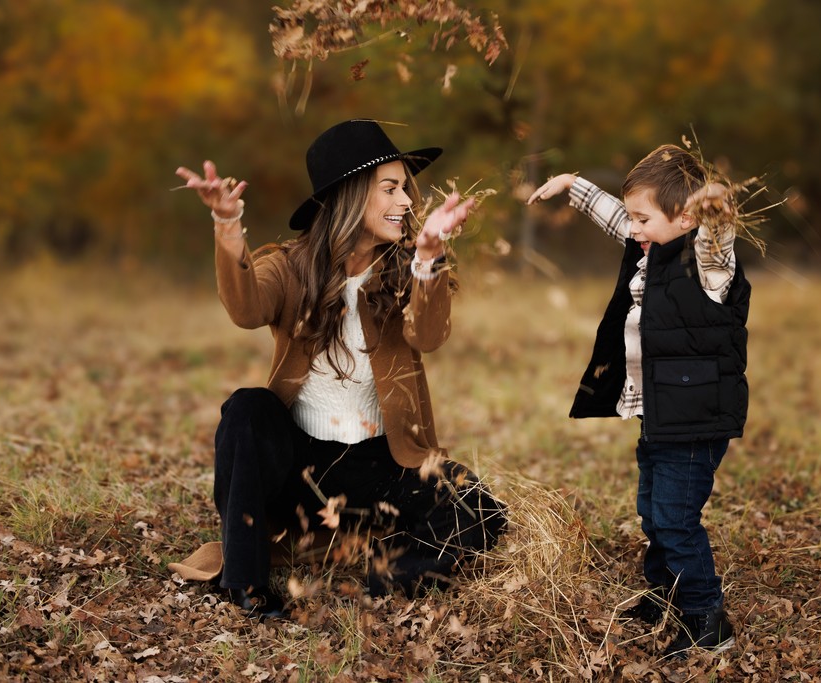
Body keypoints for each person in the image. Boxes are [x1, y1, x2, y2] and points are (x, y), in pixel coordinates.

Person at [170, 119, 507, 619]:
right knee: (247, 409)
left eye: (406, 189)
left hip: (379, 467)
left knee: (478, 509)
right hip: (299, 469)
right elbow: (246, 310)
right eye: (389, 189)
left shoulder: (406, 268)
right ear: (350, 196)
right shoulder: (291, 265)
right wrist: (227, 226)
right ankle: (246, 584)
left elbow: (428, 336)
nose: (407, 202)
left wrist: (429, 261)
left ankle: (386, 577)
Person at [527, 145, 748, 658]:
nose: (634, 228)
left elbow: (717, 241)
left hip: (693, 421)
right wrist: (571, 185)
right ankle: (665, 591)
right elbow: (618, 219)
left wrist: (717, 211)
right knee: (653, 510)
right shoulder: (651, 245)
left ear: (686, 218)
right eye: (634, 218)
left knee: (675, 517)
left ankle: (706, 616)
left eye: (643, 219)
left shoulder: (705, 265)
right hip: (661, 416)